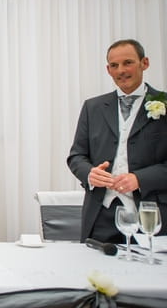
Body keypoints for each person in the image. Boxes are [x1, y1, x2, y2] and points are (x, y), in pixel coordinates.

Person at [68, 39, 167, 243]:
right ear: (108, 69)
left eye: (128, 62)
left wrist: (140, 179)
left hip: (151, 216)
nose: (121, 70)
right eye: (114, 65)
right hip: (100, 216)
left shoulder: (164, 103)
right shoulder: (92, 107)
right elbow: (76, 156)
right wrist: (89, 173)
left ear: (144, 63)